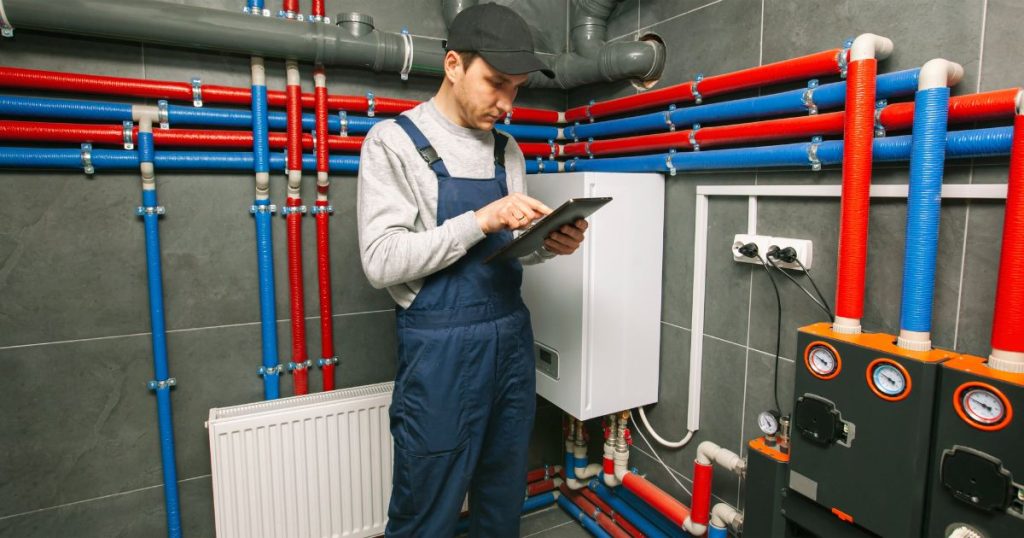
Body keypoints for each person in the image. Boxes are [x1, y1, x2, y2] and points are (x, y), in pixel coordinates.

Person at [357, 4, 587, 536]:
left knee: (503, 495)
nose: (507, 104)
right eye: (497, 84)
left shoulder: (507, 152)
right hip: (439, 352)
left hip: (509, 338)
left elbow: (508, 250)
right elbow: (381, 261)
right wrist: (480, 218)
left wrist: (549, 246)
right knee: (426, 506)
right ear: (454, 65)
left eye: (518, 88)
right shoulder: (393, 142)